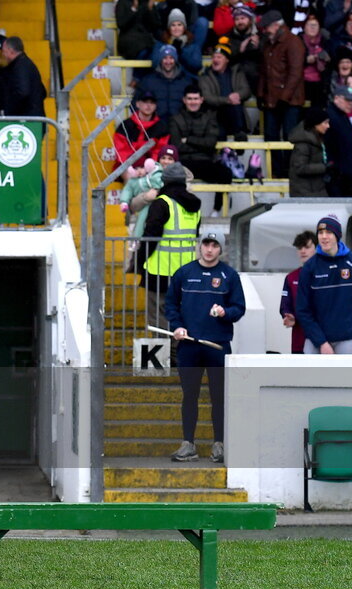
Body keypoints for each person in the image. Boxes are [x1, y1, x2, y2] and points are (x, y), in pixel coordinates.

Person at [166, 232, 245, 464]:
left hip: (217, 346)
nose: (209, 249)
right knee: (189, 396)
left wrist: (225, 313)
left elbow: (239, 308)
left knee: (219, 397)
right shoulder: (184, 273)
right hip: (188, 346)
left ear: (221, 249)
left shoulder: (229, 275)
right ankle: (188, 444)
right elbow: (170, 305)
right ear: (200, 247)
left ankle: (219, 444)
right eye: (206, 244)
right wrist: (178, 326)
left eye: (214, 245)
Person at [295, 215, 352, 354]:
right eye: (320, 233)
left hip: (348, 339)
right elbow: (302, 310)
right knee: (312, 376)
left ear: (337, 235)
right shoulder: (309, 268)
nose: (324, 237)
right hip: (316, 342)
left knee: (349, 377)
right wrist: (321, 343)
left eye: (329, 232)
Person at [138, 161, 202, 328]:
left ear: (165, 181)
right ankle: (177, 354)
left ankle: (165, 354)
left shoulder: (162, 203)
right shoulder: (195, 207)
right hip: (186, 273)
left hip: (159, 273)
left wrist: (139, 263)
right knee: (180, 320)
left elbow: (150, 238)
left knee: (158, 321)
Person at [168, 84, 231, 216]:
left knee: (225, 173)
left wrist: (188, 139)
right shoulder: (176, 119)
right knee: (170, 175)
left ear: (202, 99)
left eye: (196, 99)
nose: (193, 102)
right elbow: (176, 145)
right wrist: (200, 145)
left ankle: (217, 210)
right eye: (190, 99)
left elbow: (211, 143)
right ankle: (178, 210)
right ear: (184, 100)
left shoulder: (209, 117)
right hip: (185, 163)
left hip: (205, 161)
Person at [258, 10, 305, 178]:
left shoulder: (293, 42)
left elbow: (295, 73)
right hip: (272, 99)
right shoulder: (269, 44)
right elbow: (265, 71)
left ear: (276, 25)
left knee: (289, 137)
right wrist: (260, 94)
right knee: (271, 136)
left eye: (266, 28)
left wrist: (284, 98)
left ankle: (290, 171)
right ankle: (277, 172)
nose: (265, 31)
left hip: (289, 101)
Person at [198, 37, 251, 141]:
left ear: (227, 60)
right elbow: (208, 97)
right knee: (227, 107)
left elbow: (246, 90)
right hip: (215, 115)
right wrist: (227, 100)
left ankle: (239, 135)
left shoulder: (237, 73)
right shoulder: (205, 76)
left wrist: (237, 95)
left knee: (235, 106)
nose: (215, 60)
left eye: (219, 57)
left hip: (234, 114)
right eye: (214, 57)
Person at [279, 230, 319, 354]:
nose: (303, 251)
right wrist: (288, 315)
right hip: (299, 340)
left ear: (317, 249)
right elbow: (285, 305)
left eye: (307, 247)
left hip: (324, 340)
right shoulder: (291, 277)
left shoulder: (326, 274)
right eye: (300, 247)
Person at [113, 89, 170, 174]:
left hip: (152, 167)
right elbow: (121, 152)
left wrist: (148, 167)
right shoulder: (125, 126)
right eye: (145, 102)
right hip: (128, 166)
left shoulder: (162, 127)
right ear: (137, 104)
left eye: (152, 102)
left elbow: (160, 151)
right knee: (127, 172)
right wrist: (133, 168)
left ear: (155, 106)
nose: (148, 105)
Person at [137, 45, 195, 124]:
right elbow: (136, 103)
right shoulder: (148, 80)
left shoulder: (186, 81)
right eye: (165, 58)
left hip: (180, 126)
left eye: (171, 58)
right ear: (160, 60)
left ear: (175, 60)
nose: (168, 61)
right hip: (155, 126)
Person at [325, 84, 352, 197]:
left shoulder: (343, 116)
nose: (351, 103)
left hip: (346, 176)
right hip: (337, 178)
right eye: (347, 99)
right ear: (336, 98)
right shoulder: (328, 117)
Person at [289, 106, 331, 196]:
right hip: (305, 194)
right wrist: (324, 167)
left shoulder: (318, 139)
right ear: (316, 123)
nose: (328, 126)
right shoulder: (303, 144)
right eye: (325, 123)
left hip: (316, 190)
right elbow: (299, 168)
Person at [1, 36, 46, 118]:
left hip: (27, 120)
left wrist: (10, 110)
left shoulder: (20, 67)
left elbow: (22, 92)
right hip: (35, 117)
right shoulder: (26, 64)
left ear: (11, 51)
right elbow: (43, 91)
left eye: (4, 51)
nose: (3, 55)